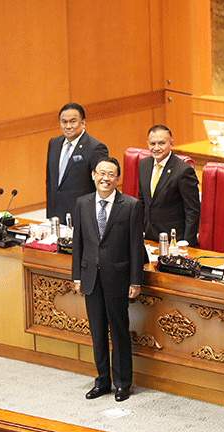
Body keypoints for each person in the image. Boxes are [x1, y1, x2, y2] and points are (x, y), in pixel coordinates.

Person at [71, 156, 144, 402]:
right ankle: (102, 381)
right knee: (97, 332)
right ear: (93, 175)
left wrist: (136, 280)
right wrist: (77, 276)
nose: (105, 178)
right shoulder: (83, 203)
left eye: (111, 174)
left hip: (118, 277)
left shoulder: (131, 205)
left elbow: (136, 246)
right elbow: (78, 243)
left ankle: (123, 383)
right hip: (90, 277)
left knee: (119, 331)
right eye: (101, 173)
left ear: (117, 178)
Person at [137, 125, 200, 246]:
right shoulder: (143, 165)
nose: (156, 148)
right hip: (149, 237)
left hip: (174, 241)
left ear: (171, 144)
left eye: (161, 143)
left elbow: (192, 211)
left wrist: (187, 244)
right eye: (152, 143)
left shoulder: (183, 171)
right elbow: (142, 202)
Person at [46, 102, 108, 222]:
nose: (68, 126)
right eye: (64, 122)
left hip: (83, 216)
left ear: (83, 123)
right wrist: (50, 213)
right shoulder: (54, 143)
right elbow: (50, 182)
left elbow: (101, 186)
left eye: (73, 121)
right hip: (57, 215)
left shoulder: (95, 148)